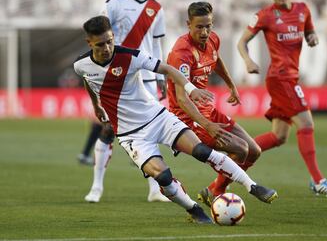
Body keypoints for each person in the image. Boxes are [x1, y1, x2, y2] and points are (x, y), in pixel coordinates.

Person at [74, 15, 278, 223]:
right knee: (162, 176)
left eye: (110, 41)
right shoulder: (81, 65)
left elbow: (168, 69)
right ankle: (194, 209)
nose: (107, 48)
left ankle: (251, 186)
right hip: (131, 134)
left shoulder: (130, 56)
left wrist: (191, 89)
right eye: (100, 44)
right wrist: (96, 105)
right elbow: (88, 81)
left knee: (201, 151)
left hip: (157, 118)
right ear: (89, 43)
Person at [237, 0, 327, 196]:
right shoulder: (265, 15)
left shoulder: (303, 10)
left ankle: (232, 166)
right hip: (280, 78)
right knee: (305, 123)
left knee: (278, 136)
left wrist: (312, 37)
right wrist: (248, 61)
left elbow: (310, 33)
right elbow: (242, 42)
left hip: (291, 78)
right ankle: (318, 181)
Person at [167, 1, 263, 207]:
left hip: (208, 112)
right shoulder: (181, 53)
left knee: (254, 150)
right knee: (240, 150)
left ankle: (213, 190)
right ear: (188, 24)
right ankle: (216, 191)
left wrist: (231, 86)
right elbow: (182, 99)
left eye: (208, 26)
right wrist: (207, 124)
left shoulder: (212, 40)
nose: (204, 32)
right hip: (187, 118)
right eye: (199, 27)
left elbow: (216, 60)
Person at [81, 0, 168, 203]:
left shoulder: (157, 8)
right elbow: (98, 35)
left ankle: (155, 190)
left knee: (150, 131)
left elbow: (158, 44)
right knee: (108, 130)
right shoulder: (114, 4)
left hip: (147, 78)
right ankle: (97, 186)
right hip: (117, 78)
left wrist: (161, 76)